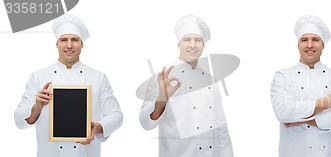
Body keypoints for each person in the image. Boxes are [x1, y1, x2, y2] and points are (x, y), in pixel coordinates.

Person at [13, 14, 123, 157]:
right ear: (57, 44)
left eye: (75, 40)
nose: (69, 45)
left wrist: (97, 128)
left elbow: (116, 115)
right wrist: (37, 107)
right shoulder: (38, 77)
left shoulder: (98, 77)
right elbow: (19, 121)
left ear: (82, 44)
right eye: (64, 40)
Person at [139, 15, 234, 157]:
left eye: (197, 40)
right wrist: (162, 99)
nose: (192, 45)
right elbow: (145, 123)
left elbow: (221, 128)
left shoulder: (211, 80)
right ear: (179, 44)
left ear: (203, 45)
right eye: (187, 40)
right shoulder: (163, 76)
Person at [270, 15, 331, 157]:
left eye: (315, 40)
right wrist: (327, 102)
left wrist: (303, 119)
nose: (309, 45)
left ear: (323, 45)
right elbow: (283, 112)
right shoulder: (283, 76)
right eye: (304, 40)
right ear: (298, 45)